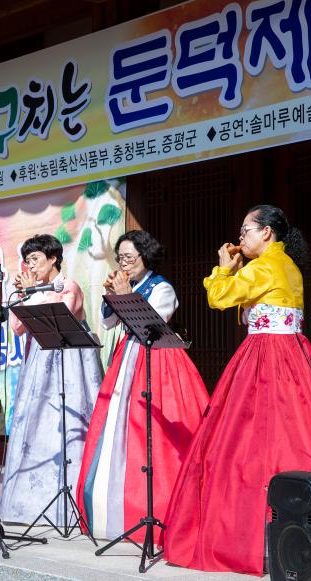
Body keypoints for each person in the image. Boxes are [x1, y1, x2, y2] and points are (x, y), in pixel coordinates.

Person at [164, 205, 311, 576]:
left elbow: (219, 298)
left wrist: (223, 265)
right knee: (303, 428)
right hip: (296, 354)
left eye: (245, 231)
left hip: (264, 356)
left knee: (249, 439)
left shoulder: (263, 266)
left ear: (267, 233)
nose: (240, 239)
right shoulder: (285, 265)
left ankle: (248, 536)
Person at [77, 230, 209, 541]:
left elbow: (154, 322)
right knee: (117, 430)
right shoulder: (129, 284)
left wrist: (125, 296)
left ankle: (157, 507)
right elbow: (108, 322)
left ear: (144, 256)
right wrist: (114, 296)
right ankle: (114, 508)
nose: (123, 263)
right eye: (120, 258)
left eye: (129, 257)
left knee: (151, 430)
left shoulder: (161, 286)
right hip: (126, 360)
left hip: (157, 362)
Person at [0, 234, 103, 525]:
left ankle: (69, 502)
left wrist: (34, 293)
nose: (30, 266)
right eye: (27, 261)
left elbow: (62, 316)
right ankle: (29, 504)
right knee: (36, 424)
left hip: (67, 360)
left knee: (64, 423)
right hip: (38, 360)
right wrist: (23, 296)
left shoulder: (67, 286)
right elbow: (19, 328)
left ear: (53, 258)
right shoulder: (35, 289)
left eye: (35, 259)